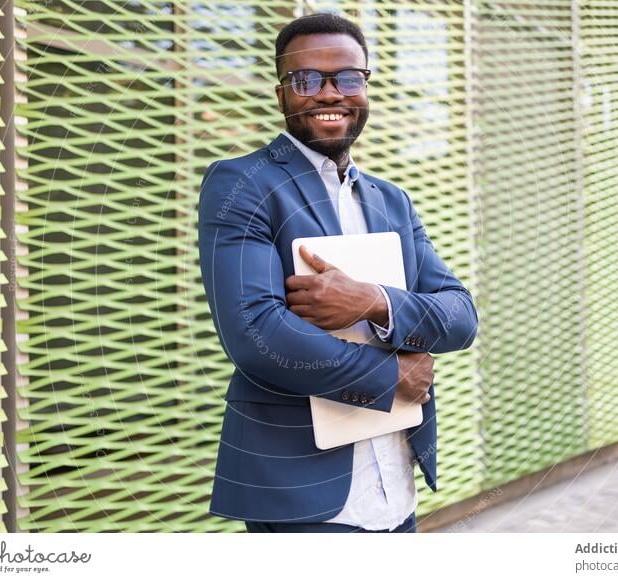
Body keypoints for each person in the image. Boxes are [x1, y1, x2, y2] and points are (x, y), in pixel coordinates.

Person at [197, 12, 478, 533]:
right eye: (307, 80)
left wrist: (373, 301)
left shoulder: (393, 201)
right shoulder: (242, 185)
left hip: (397, 486)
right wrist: (392, 375)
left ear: (365, 86)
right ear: (282, 94)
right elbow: (255, 335)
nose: (330, 94)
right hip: (301, 494)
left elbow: (460, 315)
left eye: (347, 77)